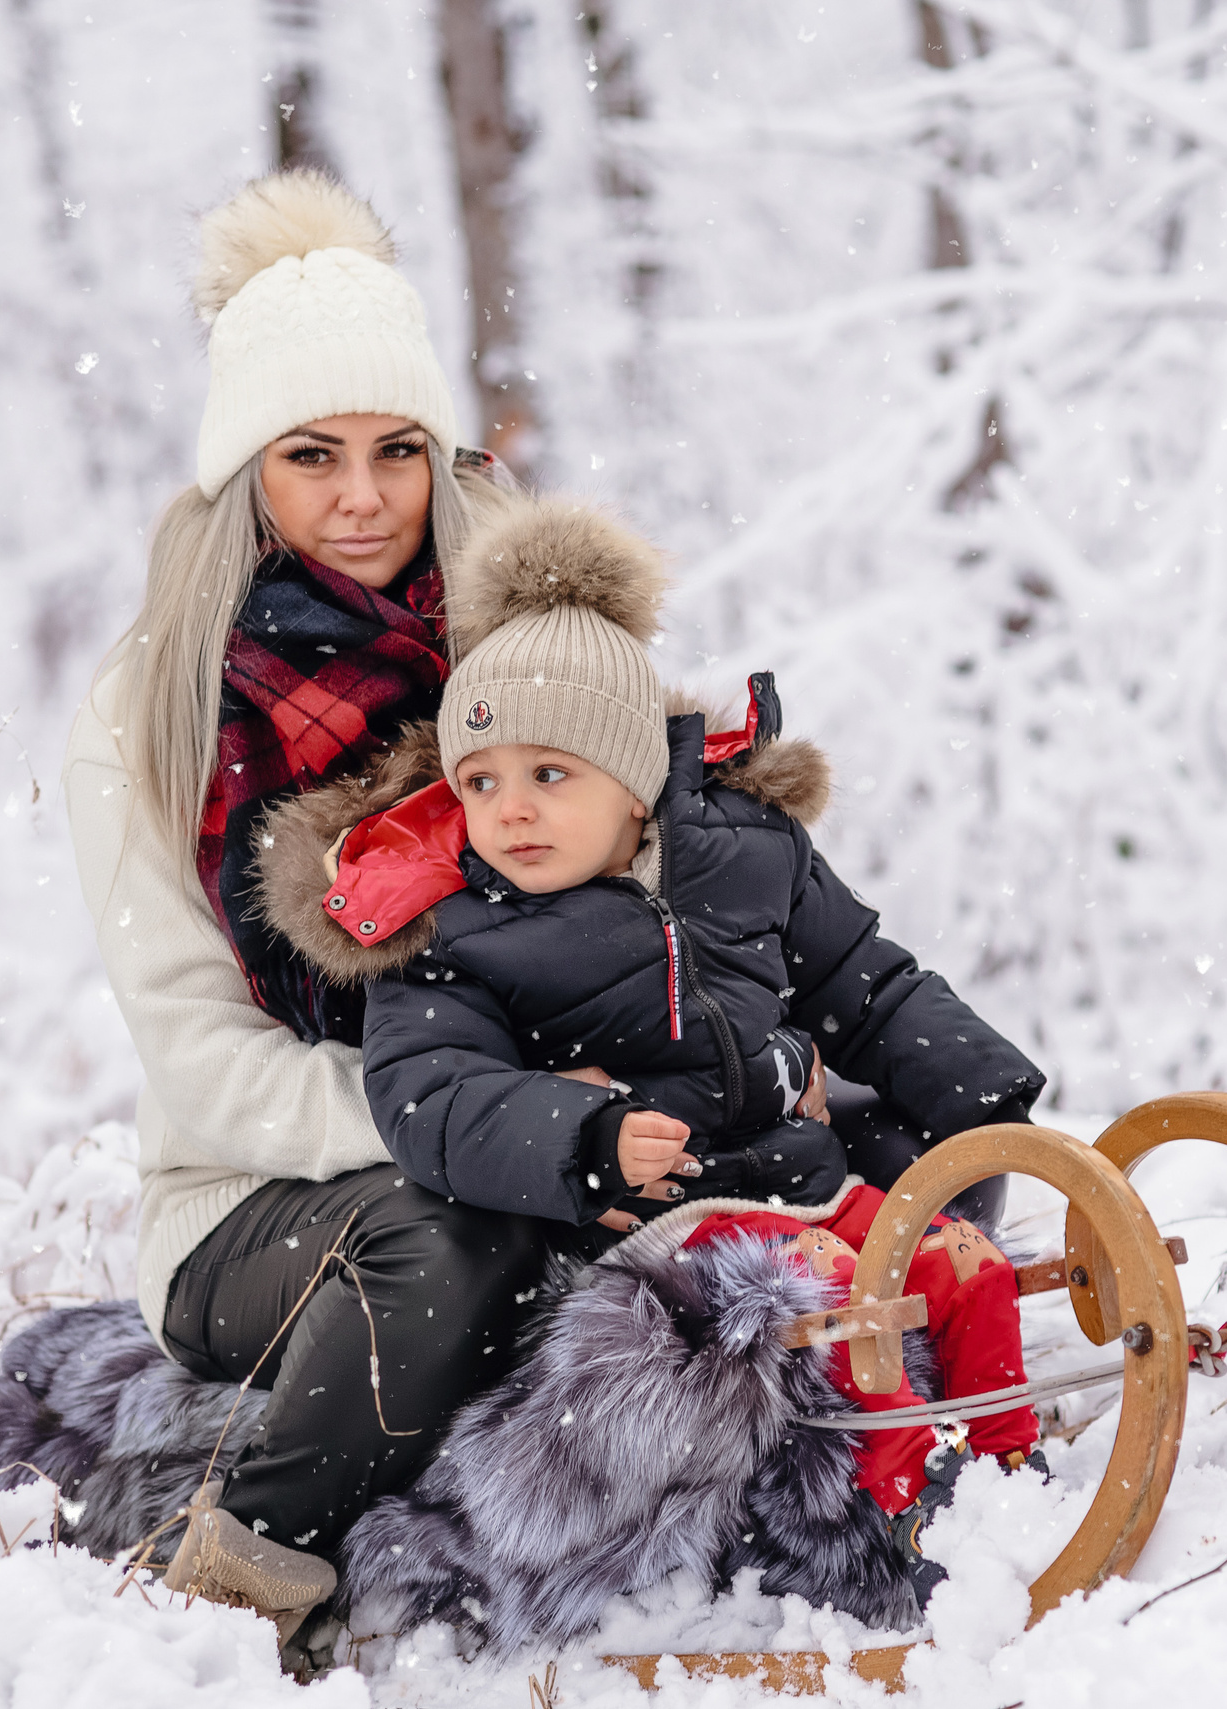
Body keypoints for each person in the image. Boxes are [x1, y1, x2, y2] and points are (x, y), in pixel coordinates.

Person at [247, 492, 1049, 1593]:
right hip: (669, 1234)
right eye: (480, 781)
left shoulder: (747, 853)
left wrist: (989, 1098)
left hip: (801, 1183)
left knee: (964, 1270)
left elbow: (868, 978)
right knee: (852, 1324)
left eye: (549, 774)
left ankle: (1015, 1470)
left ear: (636, 783)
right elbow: (433, 1095)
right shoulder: (452, 929)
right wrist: (588, 1133)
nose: (510, 810)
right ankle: (896, 1518)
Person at [62, 170, 550, 1636]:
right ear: (246, 473)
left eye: (400, 451)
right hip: (255, 1201)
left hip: (529, 1119)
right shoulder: (148, 716)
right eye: (313, 455)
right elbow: (201, 1062)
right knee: (455, 1233)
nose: (361, 499)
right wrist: (472, 1120)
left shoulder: (528, 664)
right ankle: (230, 1572)